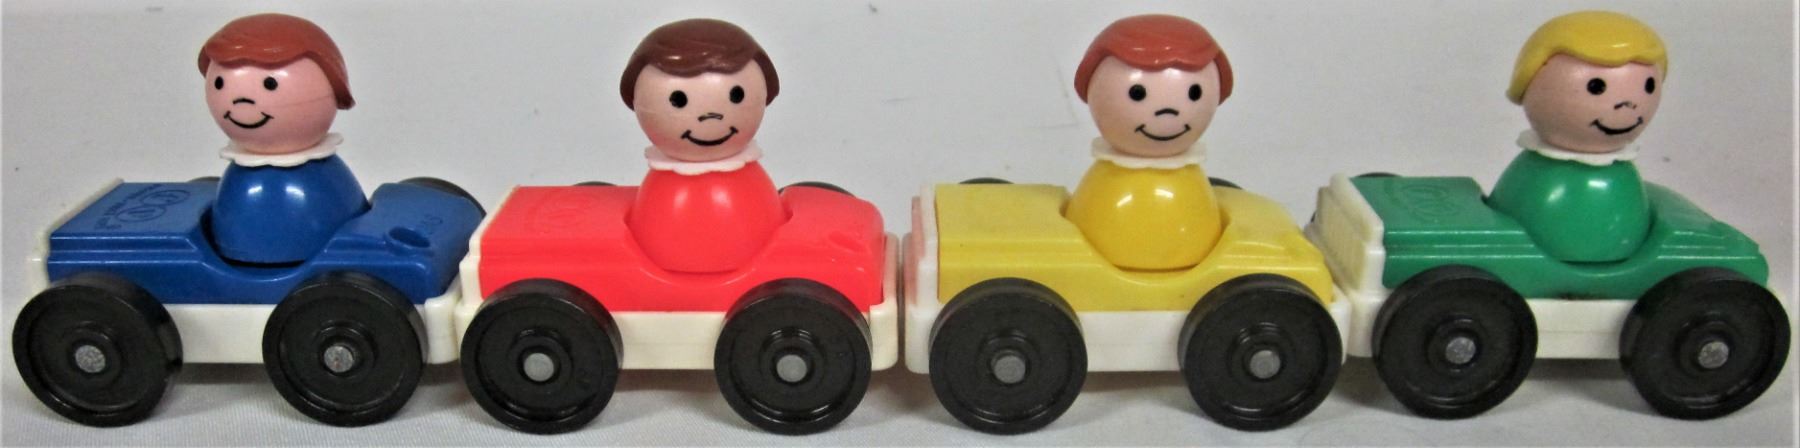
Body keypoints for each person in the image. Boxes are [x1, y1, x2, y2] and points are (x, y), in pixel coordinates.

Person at [1488, 11, 1666, 262]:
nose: (1628, 105)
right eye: (1596, 87)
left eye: (1648, 86)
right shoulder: (1533, 173)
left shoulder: (1620, 179)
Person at [1064, 14, 1233, 270]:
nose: (1168, 113)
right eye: (1137, 93)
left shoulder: (1193, 188)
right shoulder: (1104, 187)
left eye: (1194, 92)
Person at [620, 19, 785, 273]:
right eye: (678, 100)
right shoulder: (662, 192)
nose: (711, 117)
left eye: (736, 95)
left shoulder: (751, 184)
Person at [200, 14, 366, 264]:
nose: (241, 102)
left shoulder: (326, 177)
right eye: (219, 83)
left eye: (270, 84)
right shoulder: (239, 185)